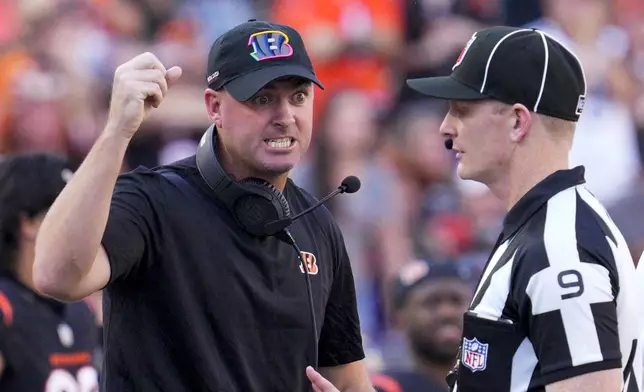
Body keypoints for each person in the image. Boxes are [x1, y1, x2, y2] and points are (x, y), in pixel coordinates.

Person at [32, 20, 373, 392]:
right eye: (262, 98)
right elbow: (56, 275)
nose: (285, 115)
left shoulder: (317, 222)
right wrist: (117, 131)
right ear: (214, 107)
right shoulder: (153, 200)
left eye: (299, 96)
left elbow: (350, 381)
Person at [405, 26, 643, 391]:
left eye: (462, 110)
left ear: (518, 121)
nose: (445, 128)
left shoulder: (561, 246)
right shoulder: (542, 227)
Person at [0, 153, 101, 391]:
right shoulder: (5, 309)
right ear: (30, 225)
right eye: (69, 212)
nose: (82, 224)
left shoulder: (82, 309)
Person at [371, 260, 472, 392]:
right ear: (400, 318)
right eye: (431, 303)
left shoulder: (497, 381)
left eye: (456, 301)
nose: (447, 313)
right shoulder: (382, 387)